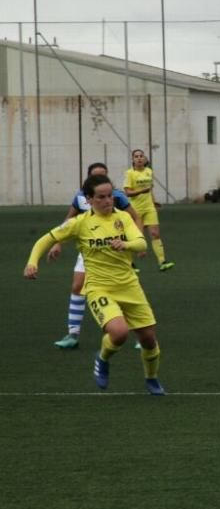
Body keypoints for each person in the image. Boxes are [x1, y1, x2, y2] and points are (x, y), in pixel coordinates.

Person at [24, 173, 166, 395]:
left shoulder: (123, 218)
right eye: (101, 197)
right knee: (119, 333)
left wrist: (126, 244)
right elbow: (46, 239)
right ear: (88, 199)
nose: (108, 200)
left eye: (110, 196)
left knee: (148, 338)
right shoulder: (80, 223)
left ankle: (151, 378)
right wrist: (33, 262)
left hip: (129, 285)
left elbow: (140, 242)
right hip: (99, 288)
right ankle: (102, 358)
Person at [49, 162, 144, 349]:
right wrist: (58, 243)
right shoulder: (80, 199)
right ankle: (72, 335)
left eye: (104, 174)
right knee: (77, 286)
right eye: (96, 175)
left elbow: (136, 217)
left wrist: (135, 242)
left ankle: (140, 336)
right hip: (90, 249)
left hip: (116, 249)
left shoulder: (117, 197)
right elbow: (68, 221)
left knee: (127, 288)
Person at [123, 148, 174, 271]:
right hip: (136, 209)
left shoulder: (149, 171)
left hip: (149, 208)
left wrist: (153, 200)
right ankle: (130, 264)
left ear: (144, 159)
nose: (139, 158)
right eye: (136, 156)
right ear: (133, 160)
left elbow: (149, 190)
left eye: (141, 156)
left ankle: (162, 262)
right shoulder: (130, 173)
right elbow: (127, 192)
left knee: (155, 234)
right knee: (137, 237)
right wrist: (141, 191)